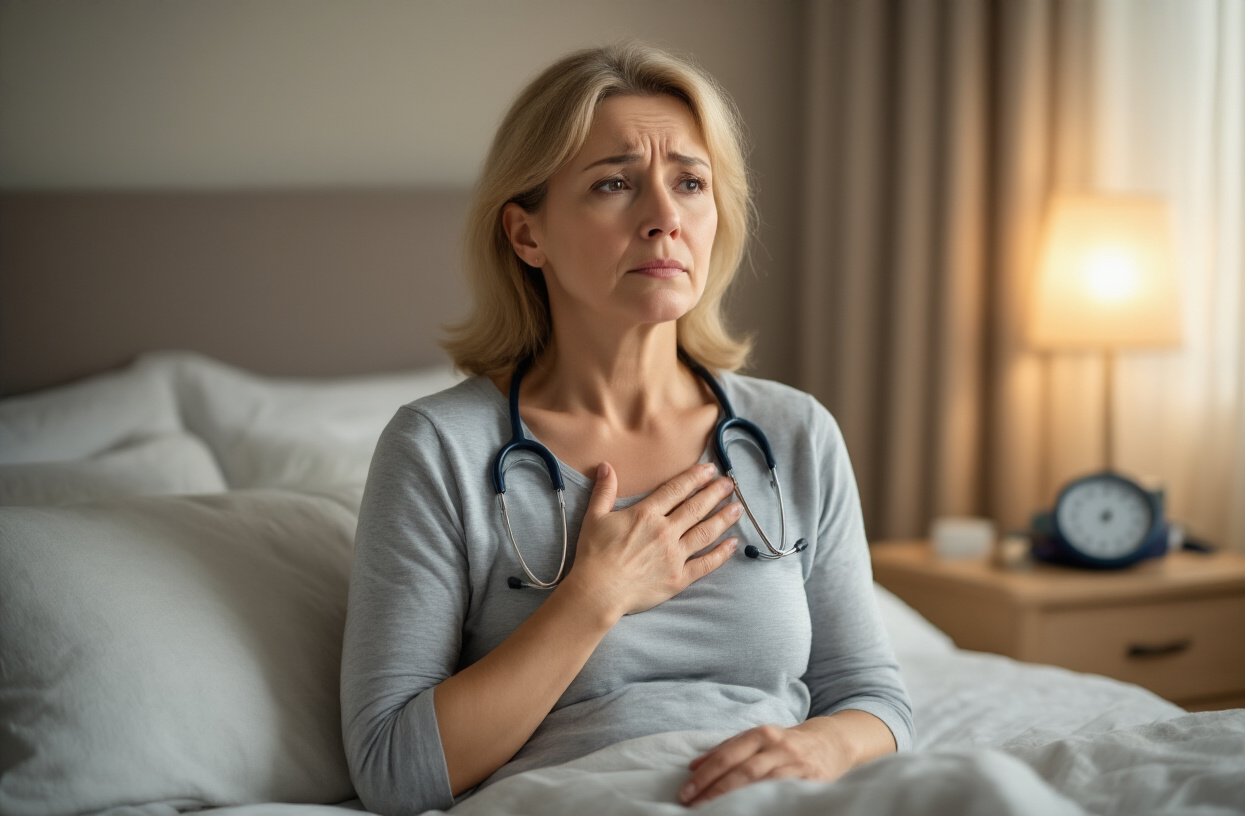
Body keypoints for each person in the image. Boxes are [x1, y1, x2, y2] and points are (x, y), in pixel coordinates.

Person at [340, 41, 913, 815]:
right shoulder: (438, 449)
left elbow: (874, 698)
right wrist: (593, 598)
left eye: (690, 183)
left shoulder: (795, 431)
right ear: (526, 235)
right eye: (614, 184)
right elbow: (392, 769)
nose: (665, 219)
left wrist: (822, 747)